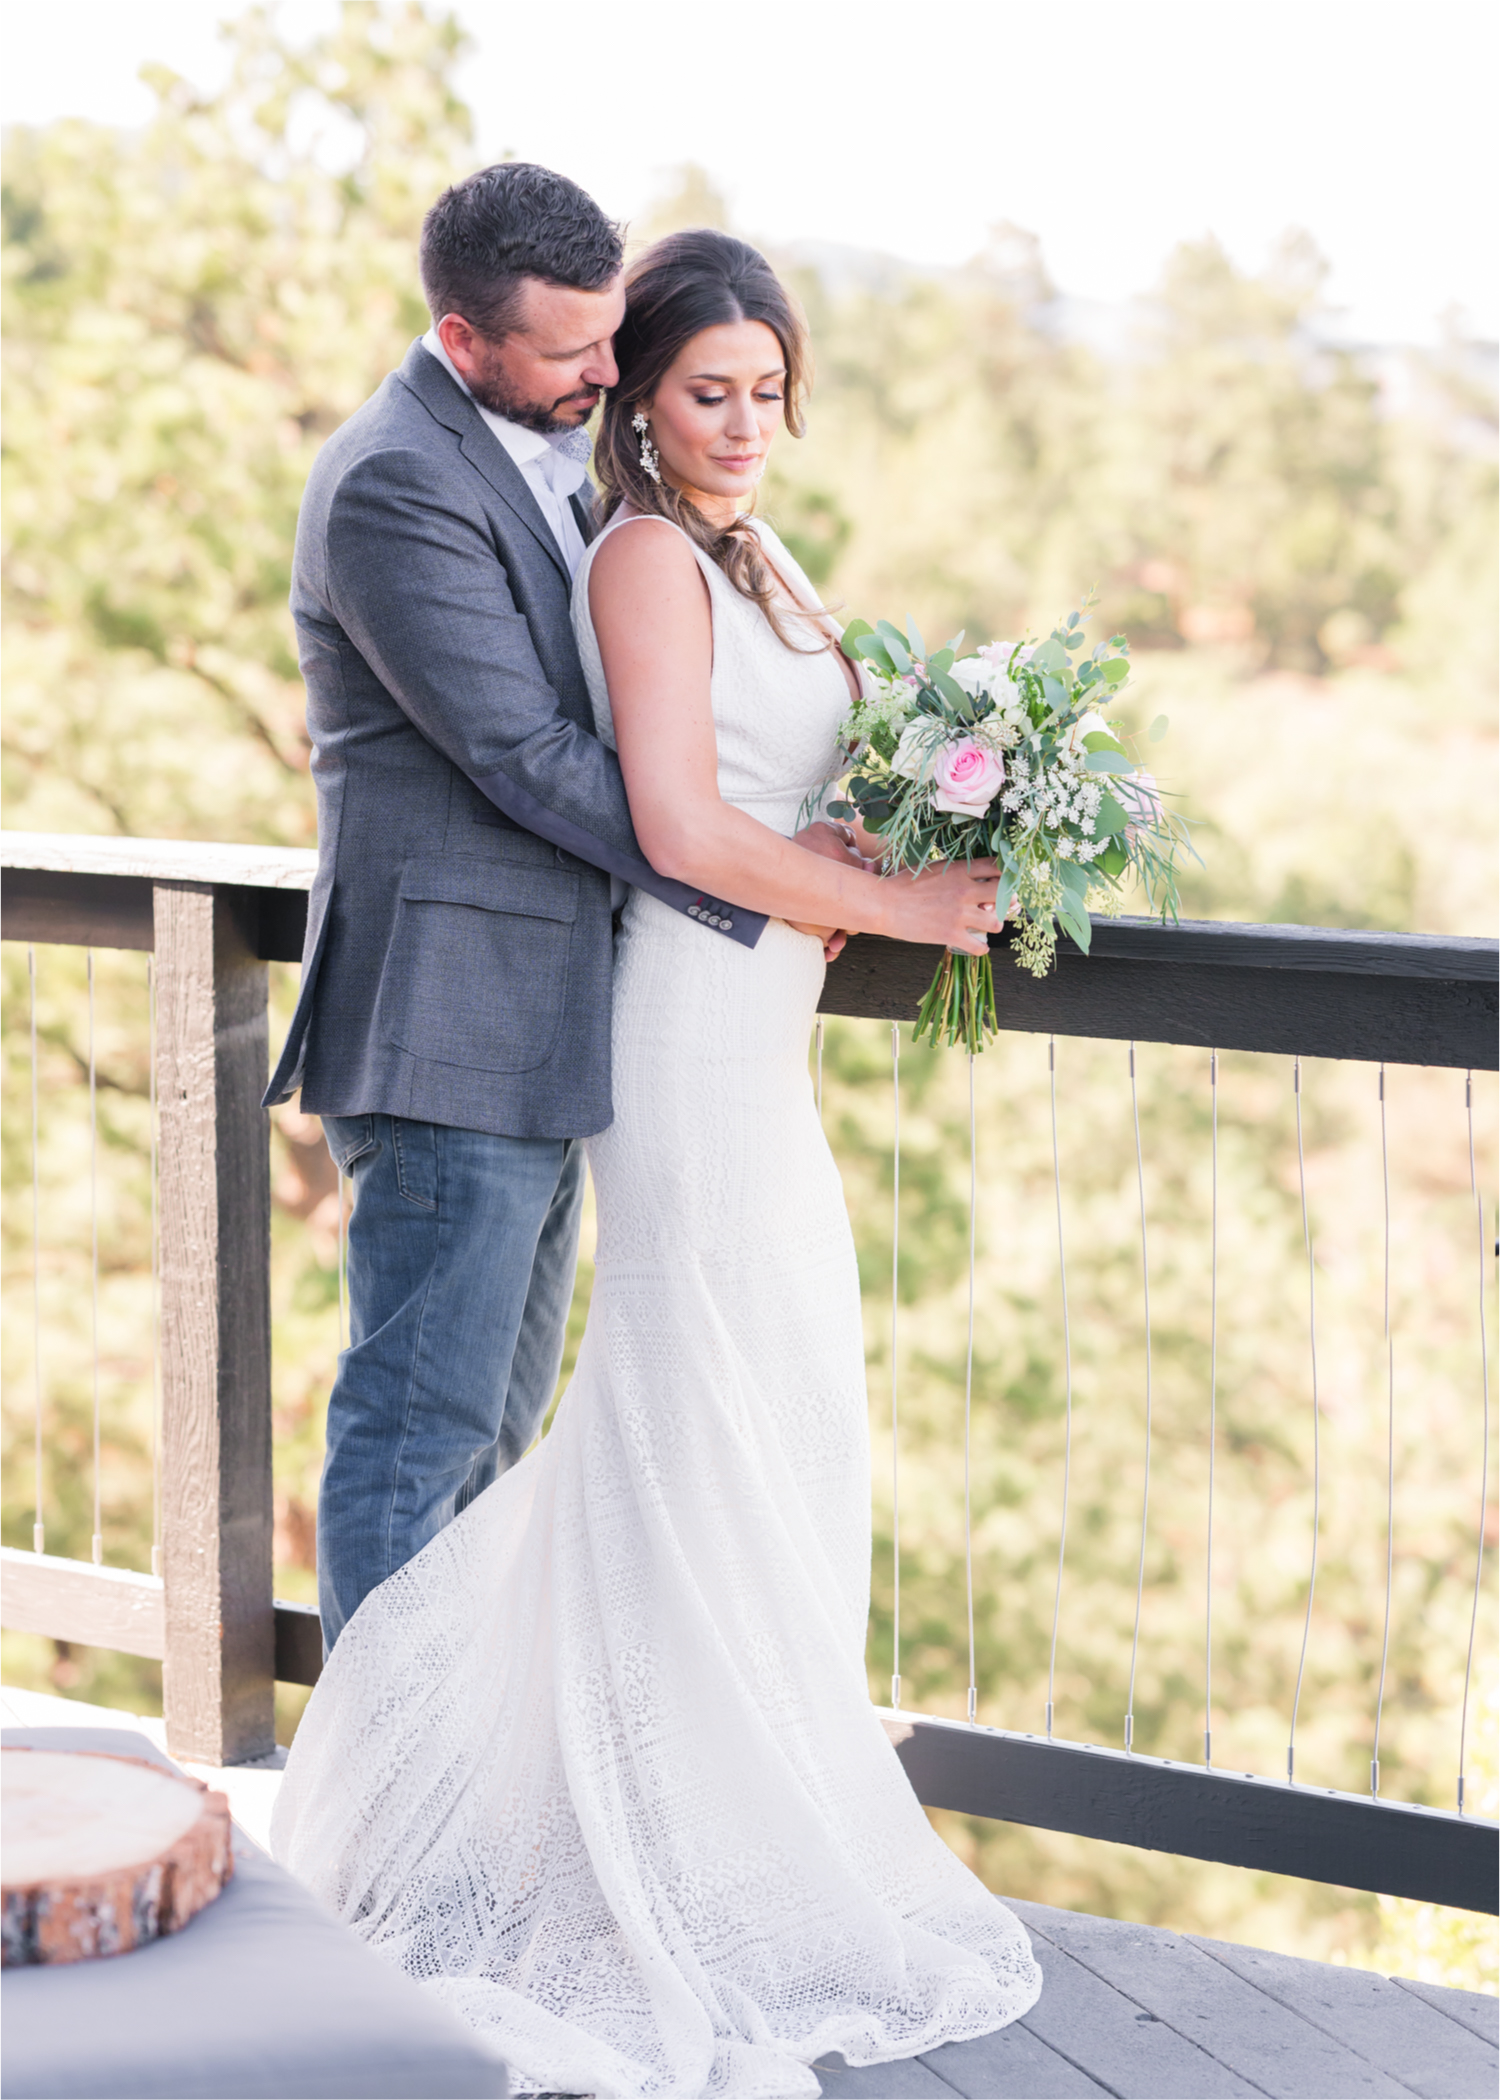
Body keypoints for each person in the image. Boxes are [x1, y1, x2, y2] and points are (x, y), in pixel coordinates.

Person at [272, 223, 1041, 2097]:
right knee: (492, 1420)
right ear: (491, 339)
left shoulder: (726, 541)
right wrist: (884, 900)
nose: (695, 404)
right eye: (684, 379)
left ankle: (646, 1814)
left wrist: (884, 844)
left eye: (759, 386)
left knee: (698, 1404)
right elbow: (627, 797)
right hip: (609, 1016)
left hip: (716, 1014)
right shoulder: (502, 512)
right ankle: (385, 1847)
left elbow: (739, 791)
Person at [265, 163, 1002, 1652]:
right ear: (465, 339)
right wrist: (784, 882)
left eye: (613, 341)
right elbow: (538, 761)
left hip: (549, 1029)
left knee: (495, 1435)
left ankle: (456, 1794)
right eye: (573, 354)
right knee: (423, 1437)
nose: (607, 374)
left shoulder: (563, 469)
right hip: (445, 1025)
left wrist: (809, 848)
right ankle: (370, 1831)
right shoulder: (399, 481)